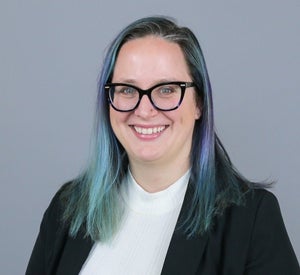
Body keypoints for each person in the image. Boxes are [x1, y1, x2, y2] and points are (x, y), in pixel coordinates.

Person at [26, 16, 300, 275]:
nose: (144, 110)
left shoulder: (250, 220)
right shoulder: (68, 208)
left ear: (199, 104)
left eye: (167, 89)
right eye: (127, 90)